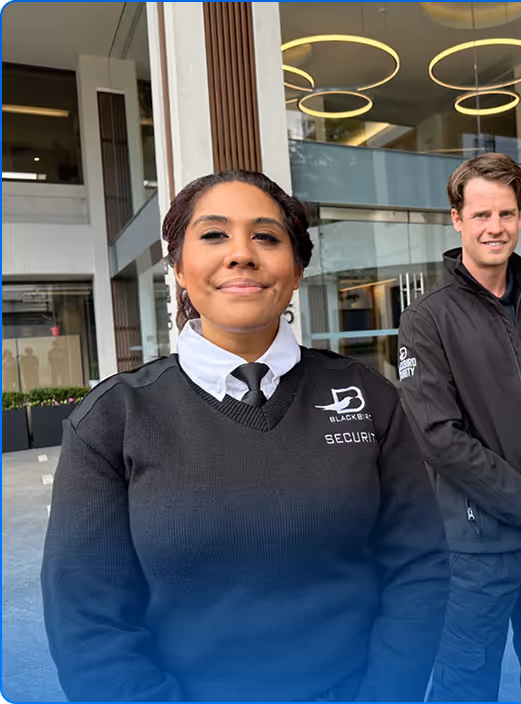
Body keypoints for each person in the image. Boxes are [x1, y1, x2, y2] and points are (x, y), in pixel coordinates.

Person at [41, 170, 449, 702]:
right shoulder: (112, 419)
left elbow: (417, 567)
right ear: (180, 269)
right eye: (214, 235)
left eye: (266, 236)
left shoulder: (368, 397)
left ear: (297, 269)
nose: (241, 254)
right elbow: (87, 619)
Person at [397, 153, 521, 702]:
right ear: (457, 219)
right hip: (478, 554)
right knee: (465, 690)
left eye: (506, 213)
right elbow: (439, 437)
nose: (495, 227)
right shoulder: (427, 319)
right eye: (481, 214)